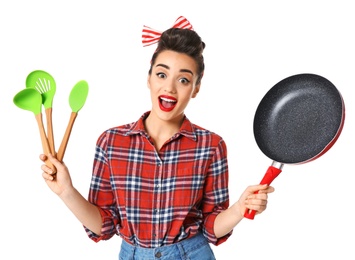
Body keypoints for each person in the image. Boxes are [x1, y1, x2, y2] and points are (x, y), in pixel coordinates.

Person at [40, 16, 274, 260]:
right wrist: (66, 191)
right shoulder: (111, 142)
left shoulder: (210, 146)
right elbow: (104, 226)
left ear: (196, 88)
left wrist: (238, 208)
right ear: (149, 78)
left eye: (183, 80)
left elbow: (211, 227)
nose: (170, 88)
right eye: (162, 75)